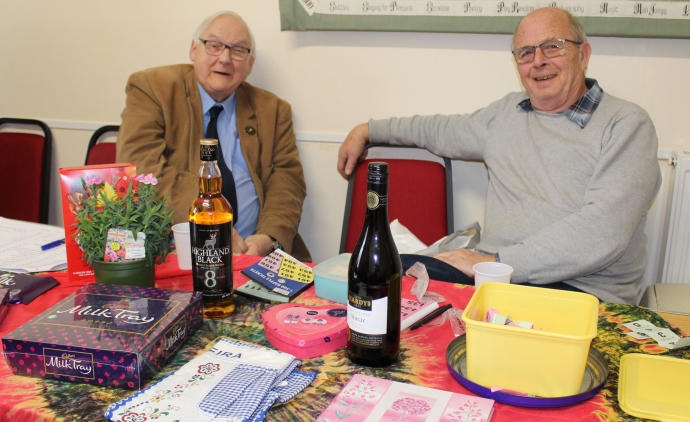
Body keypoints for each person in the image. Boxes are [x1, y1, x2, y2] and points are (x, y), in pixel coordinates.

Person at [337, 7, 660, 304]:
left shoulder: (627, 125)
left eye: (553, 47)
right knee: (380, 272)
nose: (539, 61)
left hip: (582, 291)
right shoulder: (506, 114)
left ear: (583, 53)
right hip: (495, 280)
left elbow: (602, 233)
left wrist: (495, 263)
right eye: (526, 52)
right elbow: (439, 130)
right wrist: (369, 129)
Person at [118, 11, 310, 262]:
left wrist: (268, 238)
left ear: (250, 64)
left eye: (238, 50)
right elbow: (140, 169)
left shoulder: (273, 110)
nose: (225, 58)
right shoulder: (153, 88)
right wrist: (211, 222)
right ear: (193, 49)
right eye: (214, 46)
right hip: (180, 251)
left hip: (256, 254)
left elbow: (287, 182)